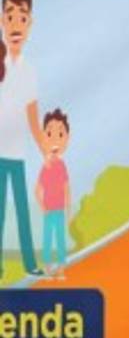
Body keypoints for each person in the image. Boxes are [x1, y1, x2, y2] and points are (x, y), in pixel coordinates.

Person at [0, 0, 45, 278]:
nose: (16, 24)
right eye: (10, 16)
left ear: (30, 23)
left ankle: (30, 263)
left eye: (22, 17)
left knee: (23, 210)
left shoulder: (28, 71)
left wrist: (47, 150)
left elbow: (32, 117)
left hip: (17, 155)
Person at [36, 108, 71, 279]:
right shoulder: (45, 167)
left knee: (60, 240)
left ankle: (61, 269)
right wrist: (43, 207)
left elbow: (66, 188)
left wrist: (68, 209)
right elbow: (37, 190)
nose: (55, 139)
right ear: (44, 137)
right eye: (50, 134)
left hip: (59, 209)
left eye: (61, 134)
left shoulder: (62, 166)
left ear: (67, 138)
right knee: (48, 240)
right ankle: (49, 270)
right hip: (49, 210)